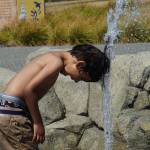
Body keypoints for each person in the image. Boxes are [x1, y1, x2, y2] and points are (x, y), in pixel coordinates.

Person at [0, 44, 110, 150]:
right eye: (81, 77)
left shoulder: (51, 57)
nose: (76, 81)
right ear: (80, 65)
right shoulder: (55, 62)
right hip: (13, 115)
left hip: (6, 111)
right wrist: (38, 123)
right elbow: (29, 91)